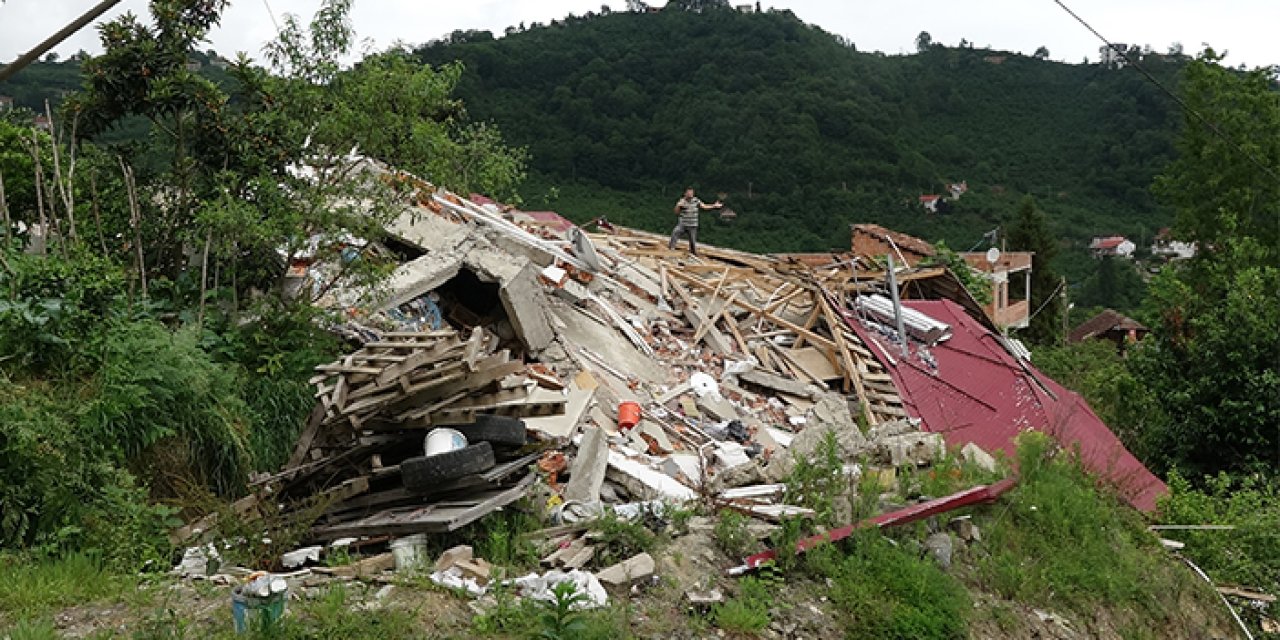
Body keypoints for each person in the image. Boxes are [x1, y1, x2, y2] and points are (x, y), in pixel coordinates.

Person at [669, 187, 721, 256]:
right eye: (689, 193)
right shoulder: (682, 201)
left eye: (692, 193)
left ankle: (693, 252)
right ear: (685, 193)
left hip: (693, 224)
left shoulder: (696, 200)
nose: (690, 194)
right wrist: (678, 206)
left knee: (692, 241)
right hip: (683, 223)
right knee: (675, 233)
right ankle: (671, 248)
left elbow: (704, 206)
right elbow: (676, 212)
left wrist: (714, 206)